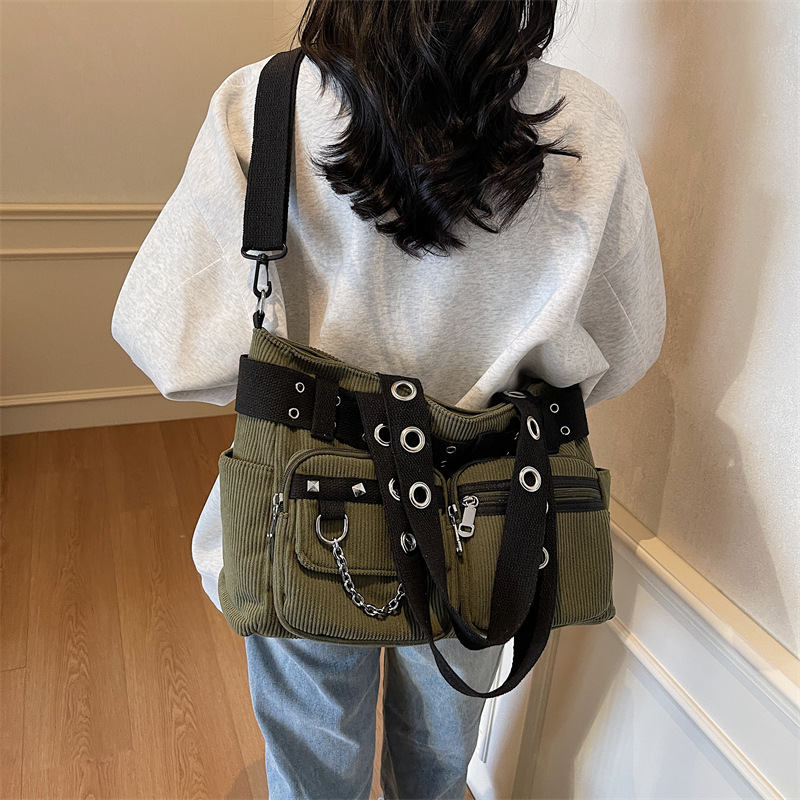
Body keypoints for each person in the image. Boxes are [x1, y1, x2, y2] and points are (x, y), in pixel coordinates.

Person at [111, 0, 667, 797]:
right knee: (440, 759)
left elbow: (170, 341)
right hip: (490, 508)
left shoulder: (267, 101)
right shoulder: (584, 123)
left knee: (314, 762)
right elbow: (626, 343)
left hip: (305, 503)